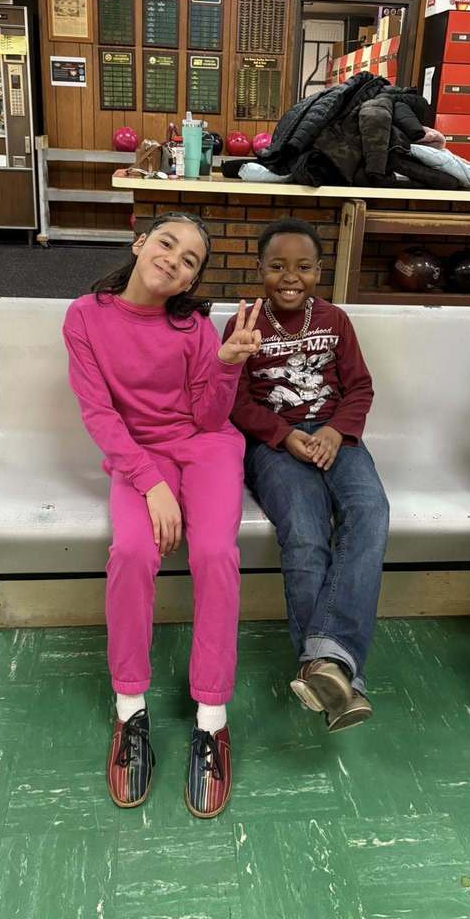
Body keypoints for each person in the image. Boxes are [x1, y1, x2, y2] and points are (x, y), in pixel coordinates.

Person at [63, 211, 262, 818]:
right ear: (140, 242)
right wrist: (150, 483)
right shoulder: (85, 318)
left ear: (190, 282)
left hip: (205, 449)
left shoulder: (196, 328)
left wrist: (227, 361)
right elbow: (99, 415)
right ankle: (131, 710)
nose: (175, 260)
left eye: (190, 261)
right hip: (137, 457)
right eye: (167, 244)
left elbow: (206, 419)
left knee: (214, 554)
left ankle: (212, 717)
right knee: (130, 553)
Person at [224, 217, 389, 732]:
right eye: (276, 266)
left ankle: (323, 663)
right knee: (305, 527)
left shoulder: (335, 320)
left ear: (319, 271)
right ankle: (339, 670)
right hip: (276, 444)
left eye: (303, 266)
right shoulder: (243, 323)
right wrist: (282, 435)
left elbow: (359, 388)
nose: (289, 277)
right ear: (259, 270)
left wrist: (338, 432)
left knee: (370, 511)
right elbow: (235, 400)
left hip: (336, 436)